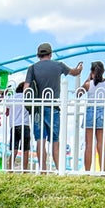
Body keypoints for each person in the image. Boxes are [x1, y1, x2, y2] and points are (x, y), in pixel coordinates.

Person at [24, 43, 83, 172]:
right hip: (53, 106)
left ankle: (43, 170)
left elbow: (26, 89)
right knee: (55, 140)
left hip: (38, 108)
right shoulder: (59, 65)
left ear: (38, 54)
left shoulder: (32, 68)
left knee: (40, 140)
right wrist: (79, 68)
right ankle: (59, 169)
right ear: (50, 54)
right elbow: (74, 72)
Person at [81, 61, 105, 173]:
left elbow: (79, 92)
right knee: (101, 144)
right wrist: (103, 77)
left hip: (90, 111)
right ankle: (102, 172)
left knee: (88, 145)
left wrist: (89, 78)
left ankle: (87, 172)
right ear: (103, 71)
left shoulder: (89, 84)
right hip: (103, 112)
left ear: (92, 72)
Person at [3, 82, 32, 172]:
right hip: (25, 125)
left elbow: (5, 103)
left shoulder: (12, 98)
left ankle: (10, 170)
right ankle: (25, 171)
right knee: (25, 150)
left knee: (14, 149)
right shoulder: (27, 98)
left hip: (14, 126)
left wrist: (5, 92)